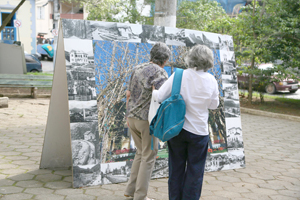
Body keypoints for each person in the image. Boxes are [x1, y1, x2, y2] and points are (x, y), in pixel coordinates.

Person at [152, 44, 219, 200]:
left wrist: (153, 91)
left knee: (176, 170)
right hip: (199, 133)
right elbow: (214, 105)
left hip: (177, 130)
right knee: (195, 172)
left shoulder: (179, 75)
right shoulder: (211, 80)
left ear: (190, 58)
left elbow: (160, 97)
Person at [124, 42, 171, 200]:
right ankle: (140, 197)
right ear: (165, 59)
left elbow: (128, 94)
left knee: (140, 153)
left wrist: (127, 116)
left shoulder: (137, 68)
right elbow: (163, 96)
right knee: (149, 156)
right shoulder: (160, 72)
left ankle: (130, 191)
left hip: (132, 118)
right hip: (147, 121)